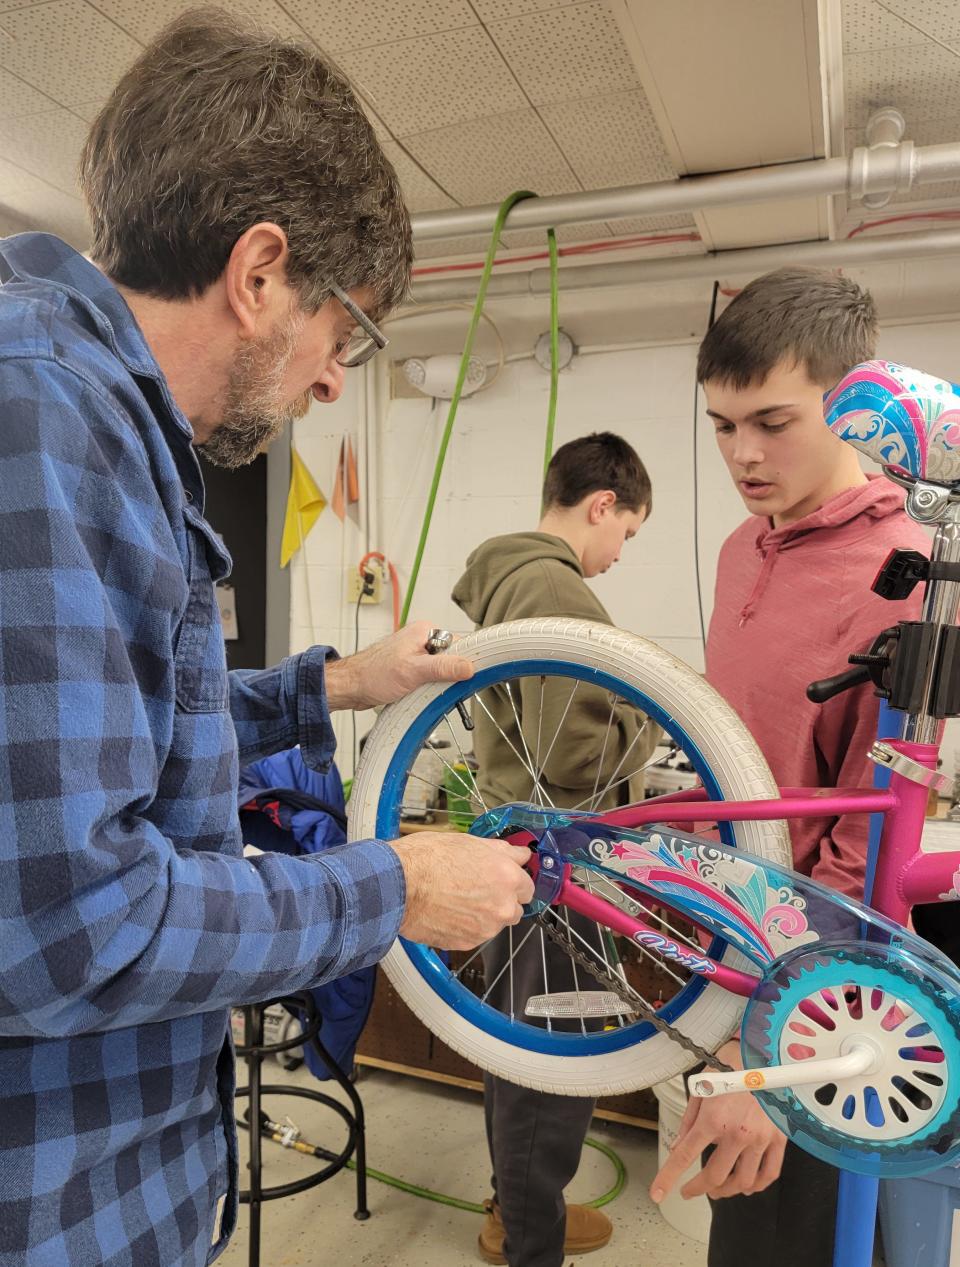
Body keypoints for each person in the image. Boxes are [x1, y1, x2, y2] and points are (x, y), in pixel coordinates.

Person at [0, 13, 533, 1266]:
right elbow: (77, 931)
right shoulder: (45, 419)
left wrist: (337, 683)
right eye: (342, 331)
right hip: (56, 1207)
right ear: (259, 273)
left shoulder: (93, 419)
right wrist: (393, 886)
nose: (336, 379)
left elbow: (100, 739)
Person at [650, 267, 931, 1267]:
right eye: (722, 425)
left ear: (852, 402)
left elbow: (866, 857)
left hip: (817, 993)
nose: (742, 454)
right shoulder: (742, 547)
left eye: (770, 421)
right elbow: (750, 763)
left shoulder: (903, 579)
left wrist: (770, 1053)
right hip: (728, 949)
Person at [452, 432, 658, 1267]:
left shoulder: (505, 578)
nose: (618, 555)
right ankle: (531, 1244)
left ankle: (517, 1209)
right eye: (628, 534)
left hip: (517, 846)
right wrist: (648, 719)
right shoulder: (556, 587)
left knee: (517, 1041)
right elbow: (575, 753)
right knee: (556, 1051)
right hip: (561, 861)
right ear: (601, 504)